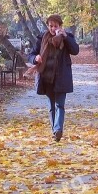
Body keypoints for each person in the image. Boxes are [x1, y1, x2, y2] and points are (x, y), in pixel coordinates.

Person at [26, 14, 79, 142]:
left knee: (59, 105)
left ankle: (57, 129)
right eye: (50, 26)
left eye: (55, 26)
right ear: (47, 26)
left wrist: (66, 37)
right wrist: (35, 58)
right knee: (51, 106)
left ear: (60, 26)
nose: (53, 28)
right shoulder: (42, 38)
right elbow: (31, 54)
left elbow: (75, 50)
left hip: (61, 76)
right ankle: (55, 131)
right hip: (46, 77)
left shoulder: (66, 37)